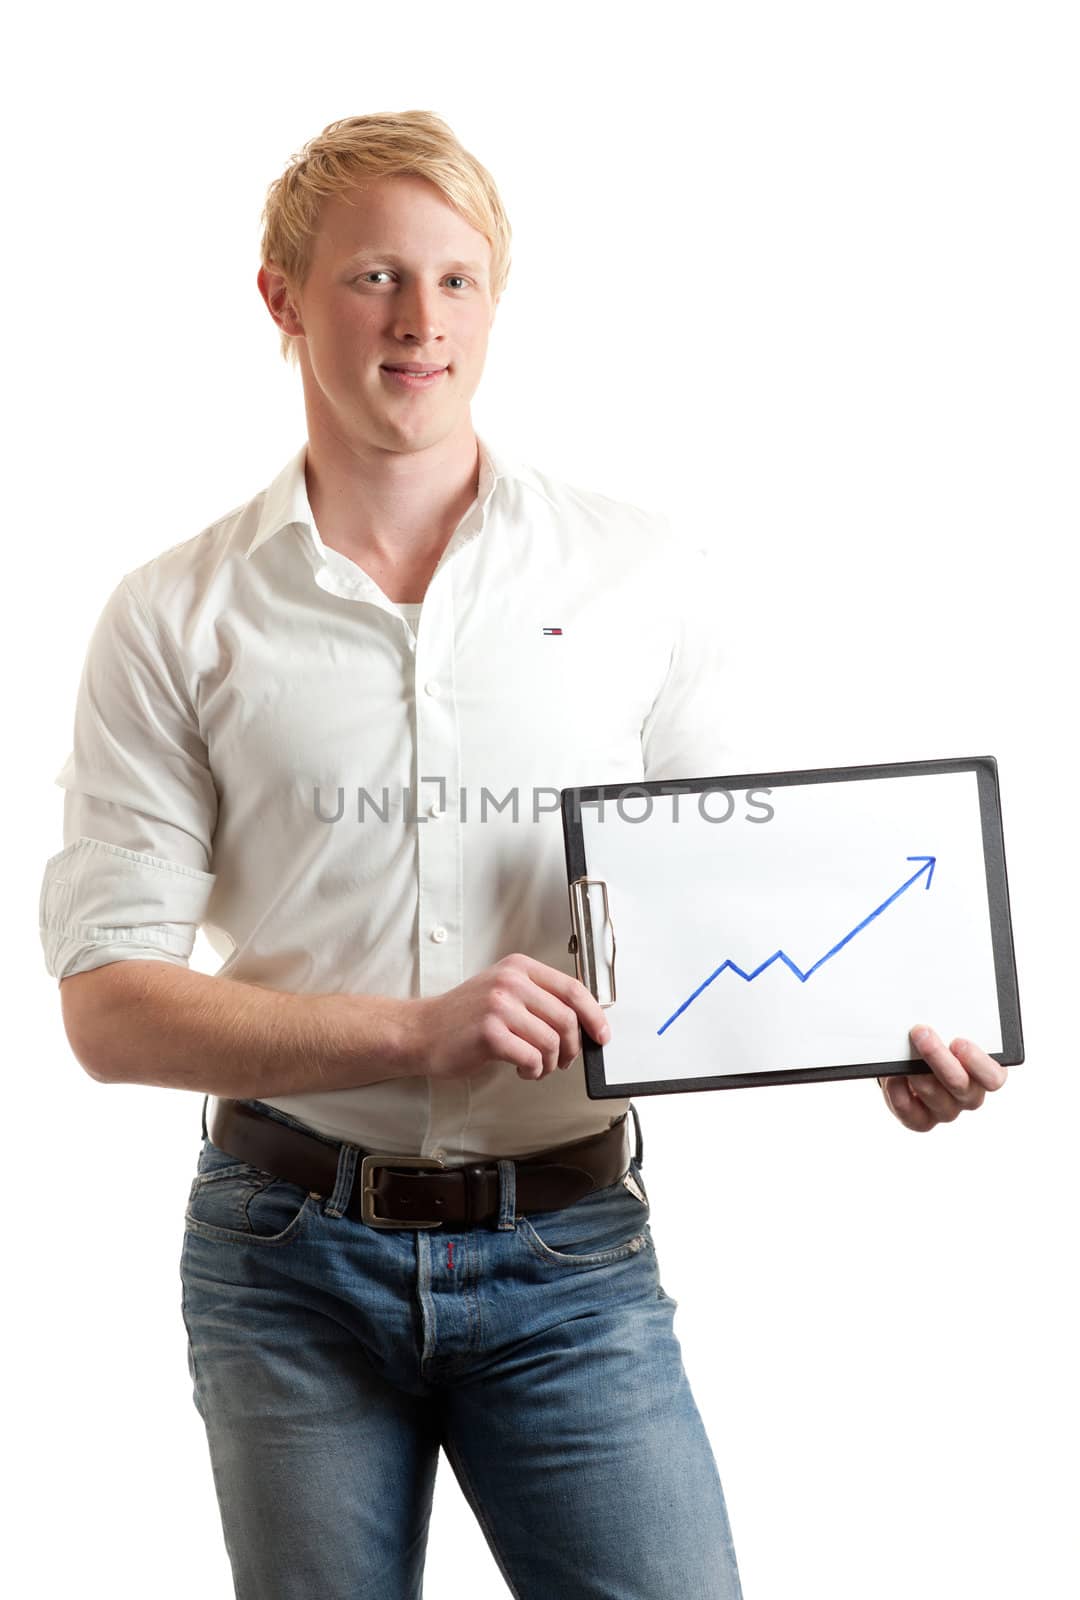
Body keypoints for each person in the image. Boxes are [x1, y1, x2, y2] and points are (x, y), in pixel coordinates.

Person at [40, 111, 1008, 1600]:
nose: (420, 323)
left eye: (457, 279)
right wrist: (415, 1030)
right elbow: (108, 1006)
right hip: (282, 1259)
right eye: (372, 278)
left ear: (496, 300)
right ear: (282, 299)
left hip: (568, 1252)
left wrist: (875, 1037)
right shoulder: (175, 618)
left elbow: (731, 905)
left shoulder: (638, 574)